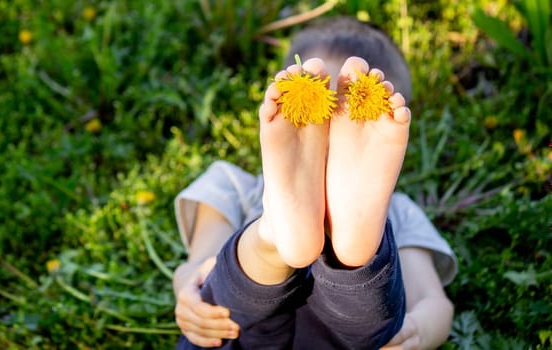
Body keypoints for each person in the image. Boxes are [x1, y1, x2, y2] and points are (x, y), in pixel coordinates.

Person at [172, 17, 457, 350]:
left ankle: (293, 242)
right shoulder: (232, 184)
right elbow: (198, 266)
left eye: (351, 117)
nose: (328, 128)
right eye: (317, 112)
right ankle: (277, 236)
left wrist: (418, 331)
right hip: (244, 332)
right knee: (234, 293)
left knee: (357, 295)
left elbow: (435, 306)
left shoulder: (394, 209)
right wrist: (189, 292)